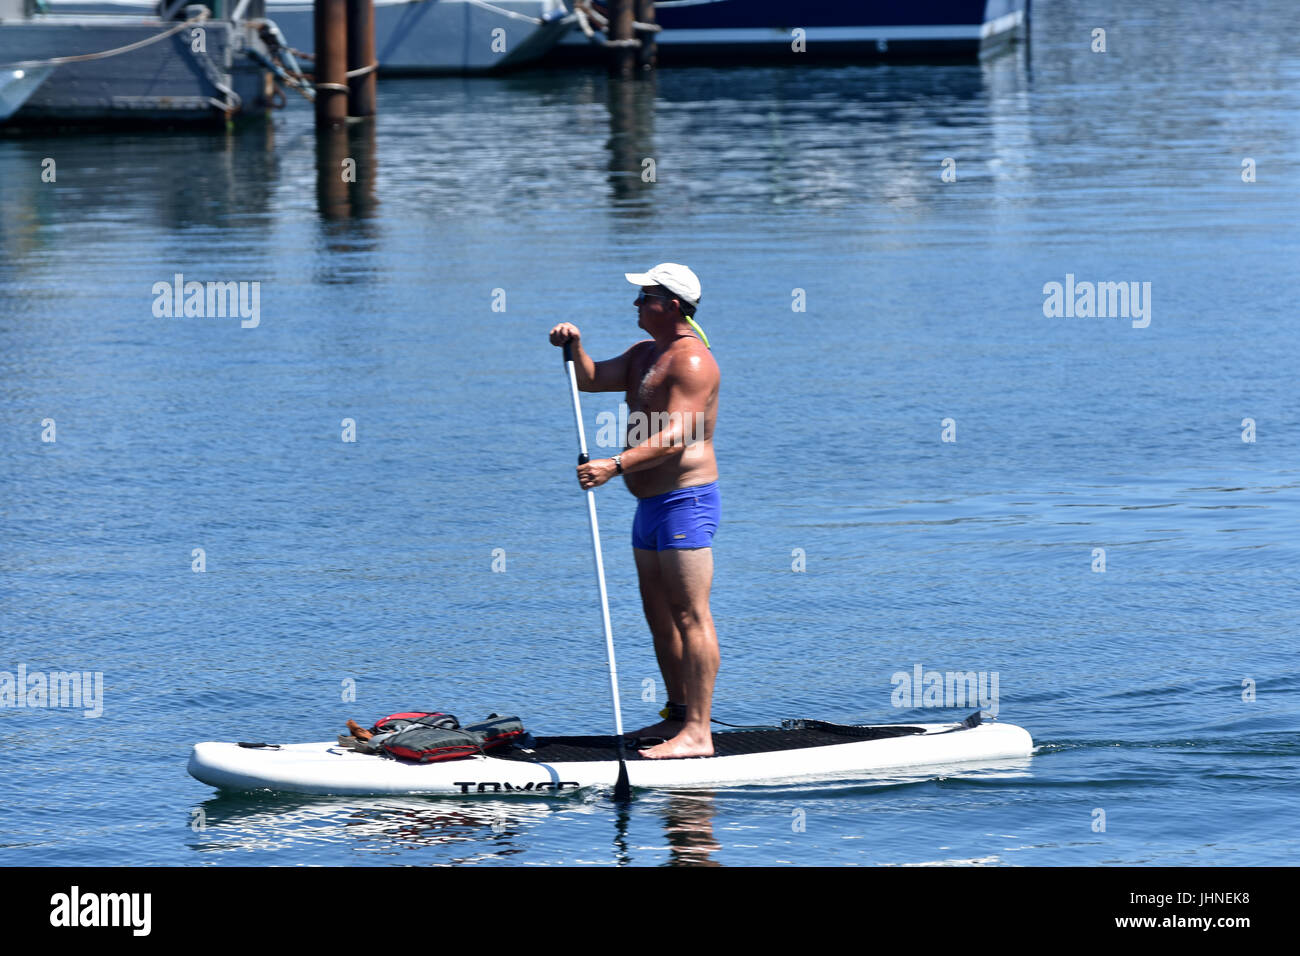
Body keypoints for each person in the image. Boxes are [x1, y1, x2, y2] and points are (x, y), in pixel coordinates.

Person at [548, 263, 721, 758]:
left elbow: (678, 435)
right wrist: (573, 345)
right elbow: (591, 379)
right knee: (659, 617)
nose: (636, 305)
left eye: (645, 297)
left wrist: (614, 465)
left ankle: (699, 733)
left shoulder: (691, 363)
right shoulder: (646, 353)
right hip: (649, 506)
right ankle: (676, 715)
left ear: (672, 305)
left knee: (691, 614)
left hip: (685, 502)